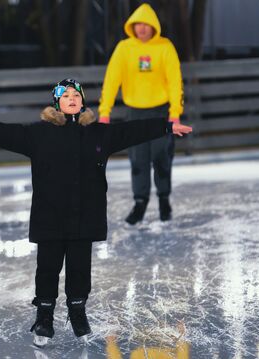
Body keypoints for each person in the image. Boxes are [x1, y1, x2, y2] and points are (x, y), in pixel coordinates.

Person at [0, 79, 192, 347]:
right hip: (50, 216)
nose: (71, 99)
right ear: (57, 102)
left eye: (76, 95)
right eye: (65, 95)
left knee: (80, 270)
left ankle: (77, 312)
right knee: (47, 269)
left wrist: (166, 125)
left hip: (84, 215)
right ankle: (44, 318)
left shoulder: (97, 133)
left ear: (82, 101)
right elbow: (8, 133)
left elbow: (131, 131)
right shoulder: (38, 134)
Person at [98, 3, 184, 225]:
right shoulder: (124, 49)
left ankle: (164, 199)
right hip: (135, 113)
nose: (142, 29)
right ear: (132, 27)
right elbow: (111, 81)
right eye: (138, 25)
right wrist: (104, 112)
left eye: (146, 25)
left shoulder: (165, 47)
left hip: (160, 112)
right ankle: (140, 202)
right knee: (138, 159)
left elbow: (175, 81)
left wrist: (175, 112)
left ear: (154, 26)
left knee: (161, 156)